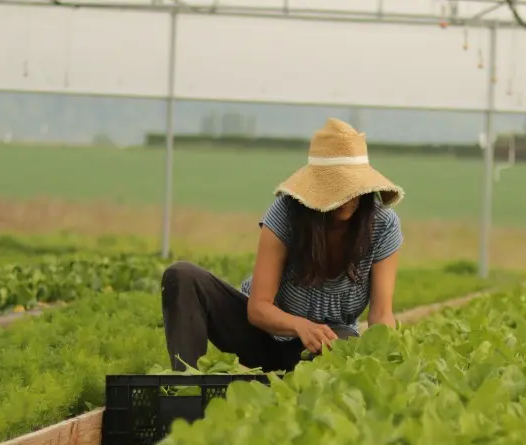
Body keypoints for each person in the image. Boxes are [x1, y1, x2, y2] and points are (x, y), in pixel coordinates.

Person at [161, 118, 405, 373]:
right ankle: (184, 388)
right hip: (259, 333)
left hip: (322, 346)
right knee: (182, 275)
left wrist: (385, 362)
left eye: (351, 187)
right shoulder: (288, 213)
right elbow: (258, 308)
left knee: (342, 345)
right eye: (336, 187)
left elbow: (380, 314)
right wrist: (300, 325)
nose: (346, 198)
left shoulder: (383, 225)